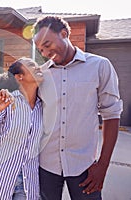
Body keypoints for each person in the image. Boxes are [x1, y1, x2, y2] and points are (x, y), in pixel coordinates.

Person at [32, 15, 123, 200]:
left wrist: (103, 165)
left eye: (47, 44)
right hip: (46, 166)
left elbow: (111, 115)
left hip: (84, 167)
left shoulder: (99, 66)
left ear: (64, 34)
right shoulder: (41, 75)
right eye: (41, 49)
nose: (45, 53)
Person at [0, 57, 43, 200]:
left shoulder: (43, 106)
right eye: (31, 65)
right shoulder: (8, 101)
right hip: (0, 180)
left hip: (28, 185)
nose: (38, 67)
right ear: (19, 77)